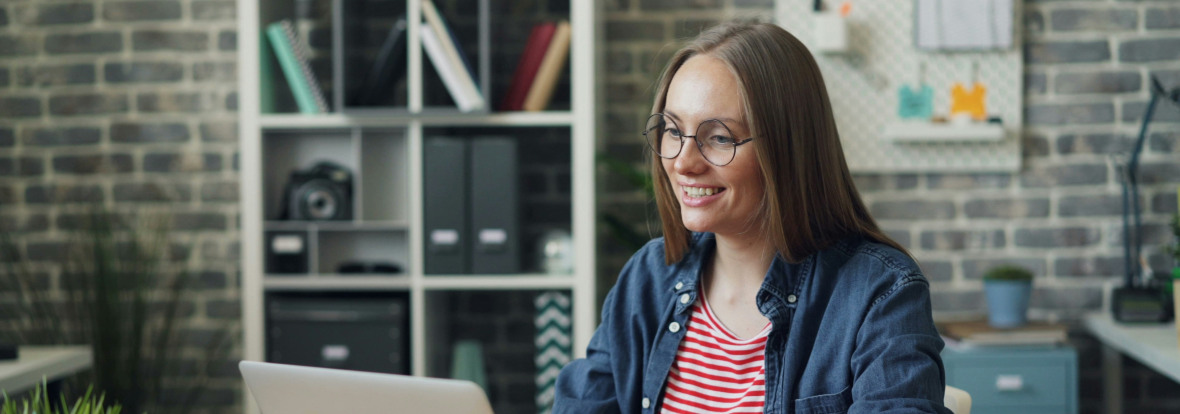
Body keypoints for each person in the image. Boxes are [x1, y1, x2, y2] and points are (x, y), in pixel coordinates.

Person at [553, 22, 951, 414]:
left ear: (787, 149)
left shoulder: (879, 292)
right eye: (673, 131)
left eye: (720, 137)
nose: (683, 162)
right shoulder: (649, 277)